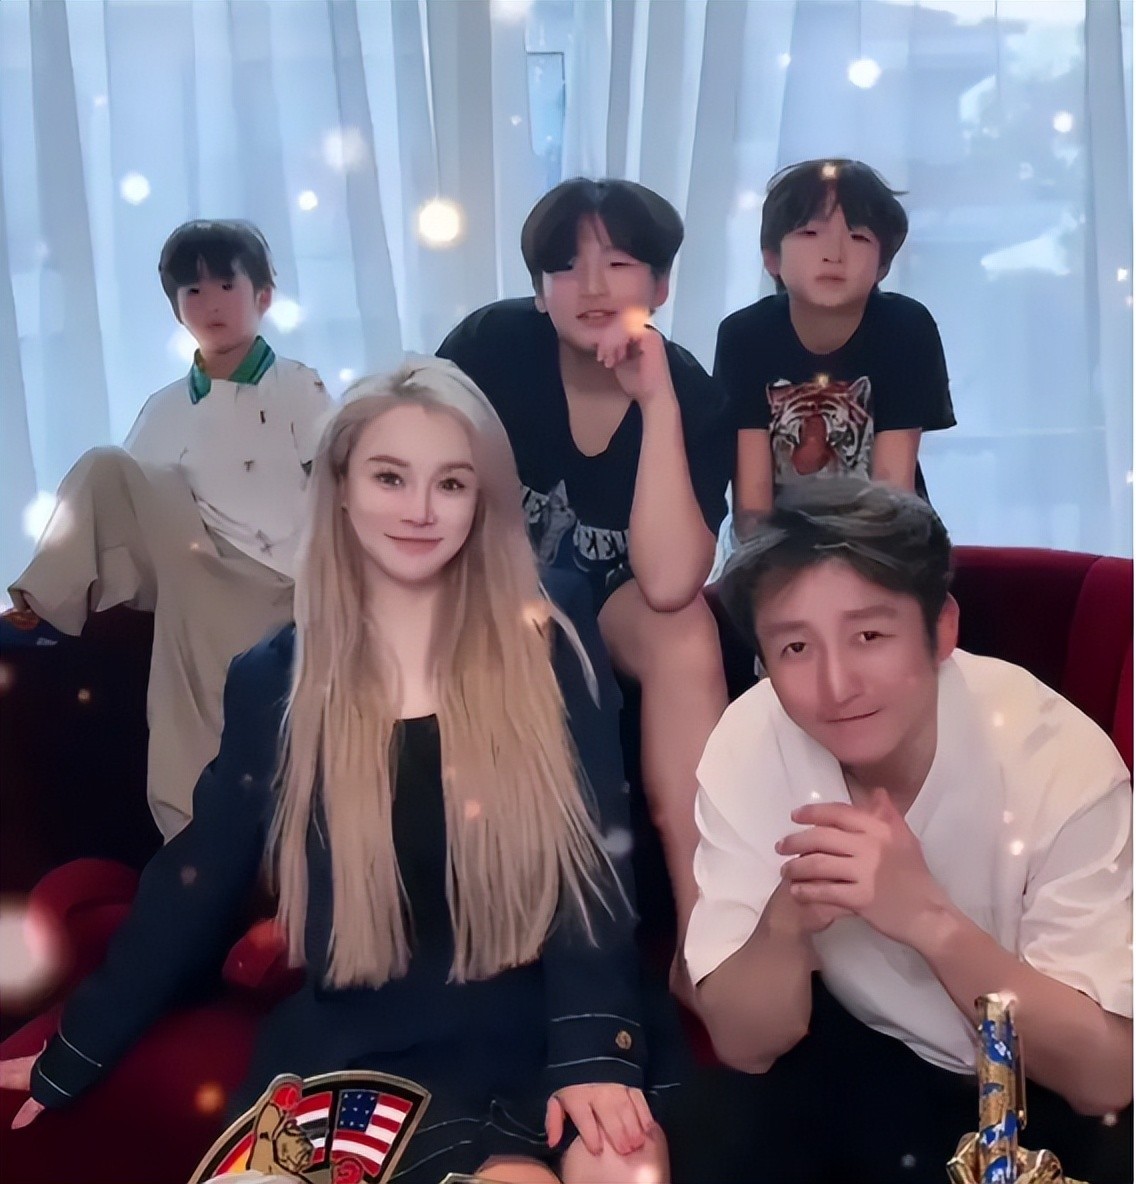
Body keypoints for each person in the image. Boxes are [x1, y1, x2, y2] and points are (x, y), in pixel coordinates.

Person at [0, 360, 670, 1184]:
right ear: (341, 488)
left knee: (625, 1164)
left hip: (542, 1012)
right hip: (373, 1043)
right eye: (390, 477)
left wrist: (596, 1048)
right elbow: (197, 879)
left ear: (481, 499)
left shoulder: (552, 629)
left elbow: (597, 853)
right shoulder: (276, 679)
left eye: (451, 483)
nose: (421, 510)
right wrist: (76, 1048)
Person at [685, 479, 1132, 1183]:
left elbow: (1106, 1078)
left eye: (869, 636)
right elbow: (745, 1045)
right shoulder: (750, 741)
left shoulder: (1056, 762)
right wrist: (785, 923)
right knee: (709, 1130)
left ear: (942, 629)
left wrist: (928, 920)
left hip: (1041, 1089)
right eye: (796, 647)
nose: (836, 685)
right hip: (867, 1058)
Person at [438, 177, 734, 949]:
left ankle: (705, 934)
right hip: (489, 597)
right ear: (540, 292)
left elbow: (668, 582)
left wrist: (657, 403)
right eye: (566, 267)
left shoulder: (692, 394)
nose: (594, 286)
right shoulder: (489, 349)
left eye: (620, 263)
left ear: (660, 286)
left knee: (685, 631)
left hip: (608, 608)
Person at [1, 220, 333, 838]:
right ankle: (41, 602)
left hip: (273, 579)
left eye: (227, 286)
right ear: (176, 307)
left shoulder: (296, 384)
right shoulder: (165, 405)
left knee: (206, 704)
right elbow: (128, 500)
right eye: (193, 292)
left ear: (263, 296)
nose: (210, 304)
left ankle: (219, 842)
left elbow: (336, 482)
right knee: (106, 465)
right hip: (189, 556)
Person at [715, 159, 955, 545]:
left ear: (883, 265)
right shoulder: (744, 335)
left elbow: (893, 490)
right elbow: (752, 505)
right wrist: (775, 566)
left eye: (859, 238)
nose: (834, 253)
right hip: (777, 547)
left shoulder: (905, 328)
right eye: (810, 233)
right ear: (771, 258)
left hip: (889, 544)